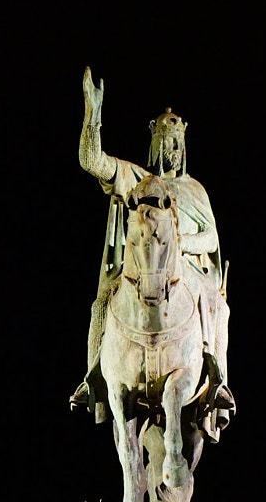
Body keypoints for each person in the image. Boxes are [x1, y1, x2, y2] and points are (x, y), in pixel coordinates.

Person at [70, 67, 233, 428]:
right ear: (154, 142)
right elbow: (91, 162)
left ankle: (218, 384)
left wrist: (182, 246)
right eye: (166, 141)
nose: (172, 149)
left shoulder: (195, 190)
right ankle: (93, 377)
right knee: (101, 305)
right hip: (143, 269)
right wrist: (91, 119)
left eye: (177, 142)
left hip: (186, 270)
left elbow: (212, 239)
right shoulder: (137, 179)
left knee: (219, 306)